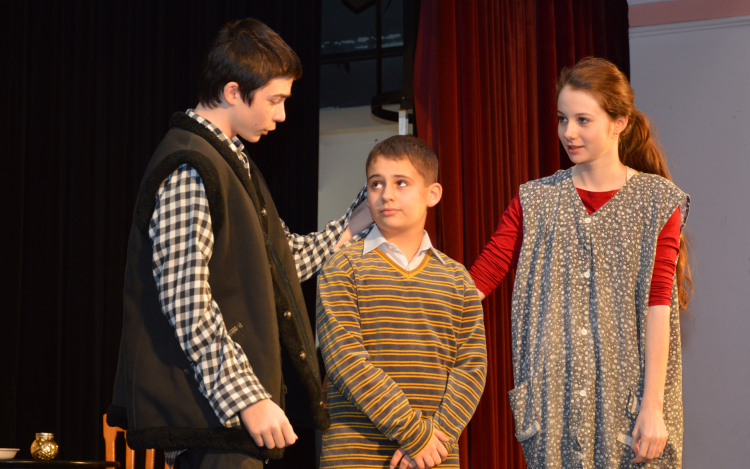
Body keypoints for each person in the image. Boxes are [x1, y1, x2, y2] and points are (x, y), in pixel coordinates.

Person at [106, 18, 372, 469]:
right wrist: (247, 399)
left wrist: (356, 220)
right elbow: (186, 302)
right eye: (275, 100)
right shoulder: (190, 166)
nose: (281, 115)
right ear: (233, 91)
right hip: (213, 423)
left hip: (225, 427)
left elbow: (282, 264)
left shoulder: (229, 161)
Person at [470, 57, 691, 468]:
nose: (568, 132)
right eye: (562, 119)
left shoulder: (657, 201)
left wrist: (652, 405)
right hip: (553, 413)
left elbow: (659, 304)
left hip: (631, 409)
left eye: (582, 120)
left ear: (619, 122)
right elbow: (479, 279)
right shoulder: (534, 200)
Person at [316, 135, 487, 469]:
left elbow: (471, 368)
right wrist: (415, 435)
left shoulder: (457, 279)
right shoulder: (342, 266)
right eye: (376, 184)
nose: (386, 194)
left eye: (401, 182)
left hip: (434, 457)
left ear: (432, 194)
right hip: (356, 456)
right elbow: (345, 360)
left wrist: (434, 437)